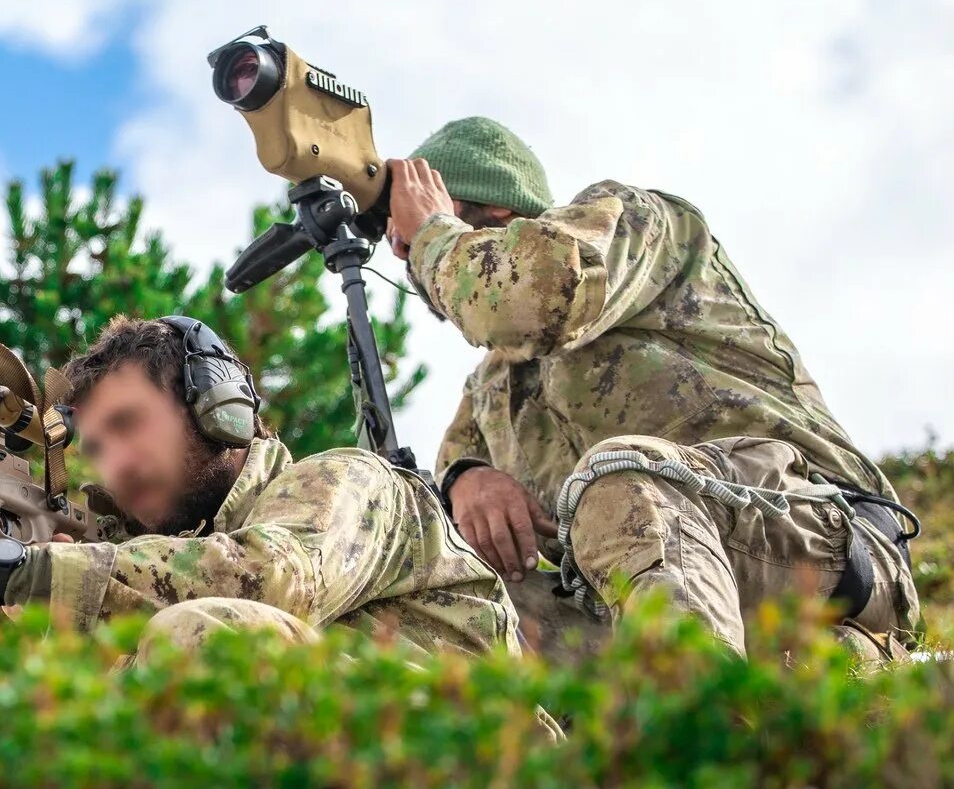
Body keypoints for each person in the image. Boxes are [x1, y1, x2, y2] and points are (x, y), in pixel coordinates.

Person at [384, 116, 918, 659]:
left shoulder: (633, 228)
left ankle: (694, 722)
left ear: (497, 215)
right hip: (641, 608)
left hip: (814, 543)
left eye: (420, 228)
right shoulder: (491, 390)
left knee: (617, 475)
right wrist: (465, 480)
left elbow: (534, 299)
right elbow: (441, 520)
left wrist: (432, 230)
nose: (404, 254)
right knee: (453, 607)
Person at [0, 314, 520, 659]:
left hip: (479, 761)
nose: (114, 466)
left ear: (217, 408)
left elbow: (269, 578)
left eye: (129, 424)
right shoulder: (163, 557)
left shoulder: (346, 479)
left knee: (205, 634)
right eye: (96, 449)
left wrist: (9, 568)